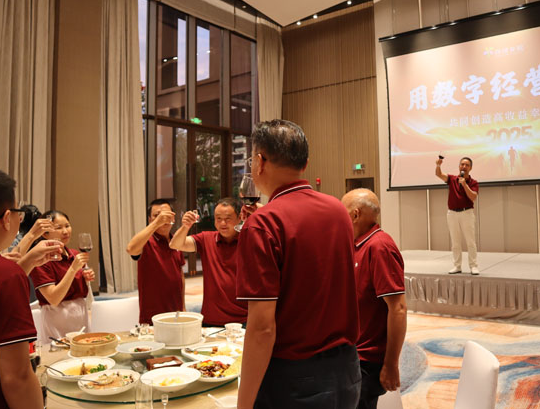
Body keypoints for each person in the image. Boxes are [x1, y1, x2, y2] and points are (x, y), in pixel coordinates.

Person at [235, 120, 361, 409]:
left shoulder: (263, 224)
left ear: (259, 162)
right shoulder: (338, 210)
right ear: (305, 164)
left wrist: (243, 405)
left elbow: (262, 329)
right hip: (347, 371)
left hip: (294, 381)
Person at [0, 166, 61, 408]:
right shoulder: (5, 274)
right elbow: (16, 377)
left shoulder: (4, 272)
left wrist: (25, 264)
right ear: (7, 217)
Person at [341, 189, 407, 409]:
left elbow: (398, 308)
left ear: (355, 214)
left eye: (343, 212)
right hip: (353, 354)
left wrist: (391, 364)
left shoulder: (379, 247)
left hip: (367, 362)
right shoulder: (357, 244)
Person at [169, 198, 247, 326]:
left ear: (240, 218)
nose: (223, 223)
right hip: (211, 319)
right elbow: (175, 244)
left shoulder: (248, 240)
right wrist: (185, 226)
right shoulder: (206, 239)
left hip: (242, 320)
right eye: (218, 218)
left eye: (228, 218)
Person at [29, 210, 95, 339]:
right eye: (58, 227)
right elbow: (53, 299)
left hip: (81, 318)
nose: (65, 231)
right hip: (56, 322)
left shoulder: (75, 255)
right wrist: (73, 269)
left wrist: (86, 278)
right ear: (45, 234)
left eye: (67, 226)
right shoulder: (41, 259)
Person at [127, 199, 185, 324]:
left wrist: (183, 306)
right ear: (150, 220)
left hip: (176, 313)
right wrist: (156, 223)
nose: (163, 219)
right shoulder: (147, 241)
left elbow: (180, 275)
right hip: (152, 316)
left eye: (166, 215)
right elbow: (131, 249)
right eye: (157, 215)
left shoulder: (176, 241)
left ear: (173, 217)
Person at [435, 156, 480, 275]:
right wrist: (438, 165)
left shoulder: (473, 182)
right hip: (452, 213)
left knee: (470, 241)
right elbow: (439, 174)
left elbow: (473, 197)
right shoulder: (452, 179)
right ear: (459, 166)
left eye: (467, 165)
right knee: (455, 242)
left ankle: (473, 266)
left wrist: (464, 185)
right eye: (462, 164)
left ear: (470, 168)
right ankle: (457, 266)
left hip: (467, 213)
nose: (464, 167)